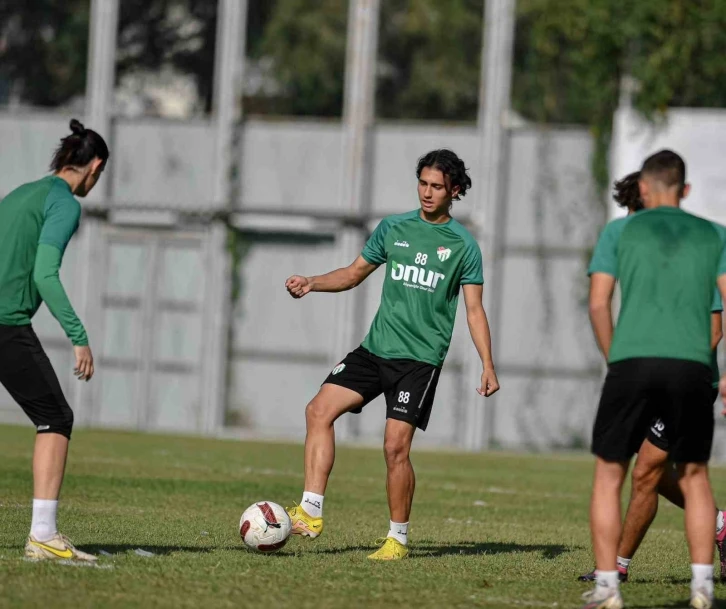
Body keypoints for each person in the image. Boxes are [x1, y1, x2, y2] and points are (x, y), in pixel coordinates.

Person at [284, 149, 500, 560]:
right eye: (423, 183)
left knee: (394, 448)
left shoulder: (464, 246)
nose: (427, 193)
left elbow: (474, 310)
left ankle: (397, 539)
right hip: (374, 350)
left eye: (437, 187)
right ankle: (310, 512)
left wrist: (487, 364)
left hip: (419, 362)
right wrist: (312, 282)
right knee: (318, 411)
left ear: (455, 191)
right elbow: (353, 274)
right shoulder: (393, 228)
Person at [583, 150, 726, 609]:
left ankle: (608, 586)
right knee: (694, 475)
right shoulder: (715, 234)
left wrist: (614, 359)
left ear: (643, 190)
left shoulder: (619, 232)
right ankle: (702, 588)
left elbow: (598, 303)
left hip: (633, 362)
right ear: (685, 189)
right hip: (691, 368)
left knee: (612, 474)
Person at [0, 119, 109, 561]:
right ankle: (43, 535)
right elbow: (45, 274)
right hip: (5, 323)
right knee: (55, 418)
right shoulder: (63, 203)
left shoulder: (20, 194)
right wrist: (79, 337)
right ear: (94, 166)